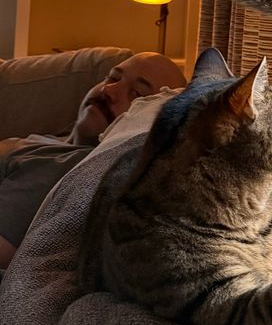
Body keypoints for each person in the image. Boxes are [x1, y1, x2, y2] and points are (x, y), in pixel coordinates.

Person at [0, 52, 186, 269]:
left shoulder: (65, 166)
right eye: (113, 78)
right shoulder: (51, 141)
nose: (108, 91)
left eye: (136, 94)